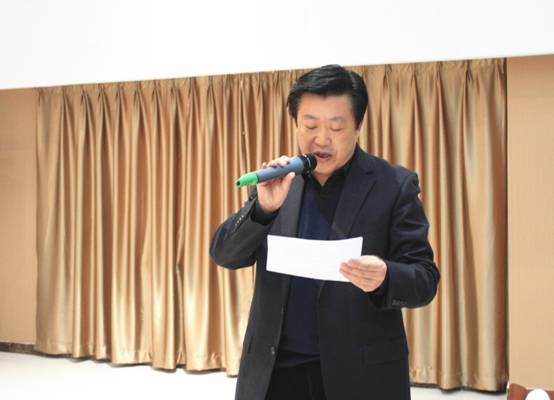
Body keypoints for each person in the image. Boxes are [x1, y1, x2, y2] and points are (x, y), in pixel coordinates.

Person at [210, 65, 440, 400]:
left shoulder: (393, 184)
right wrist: (263, 210)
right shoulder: (279, 180)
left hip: (359, 376)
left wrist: (386, 276)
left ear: (358, 126)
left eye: (336, 127)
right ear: (295, 124)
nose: (321, 139)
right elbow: (225, 254)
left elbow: (425, 279)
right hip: (274, 374)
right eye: (310, 125)